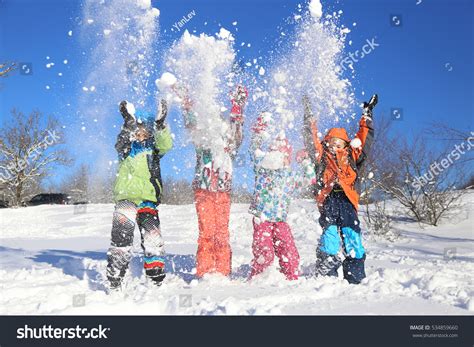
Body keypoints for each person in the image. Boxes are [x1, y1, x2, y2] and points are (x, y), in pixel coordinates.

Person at [303, 94, 377, 284]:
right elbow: (311, 140)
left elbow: (365, 139)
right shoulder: (322, 156)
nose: (335, 146)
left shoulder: (352, 156)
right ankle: (326, 276)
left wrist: (366, 115)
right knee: (329, 236)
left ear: (346, 144)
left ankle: (356, 277)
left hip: (347, 201)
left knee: (352, 236)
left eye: (339, 143)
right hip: (329, 200)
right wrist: (309, 117)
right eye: (331, 142)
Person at [179, 85, 248, 278]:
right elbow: (192, 126)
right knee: (207, 231)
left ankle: (223, 271)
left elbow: (236, 130)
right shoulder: (203, 142)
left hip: (223, 191)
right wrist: (187, 106)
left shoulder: (230, 145)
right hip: (203, 190)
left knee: (222, 233)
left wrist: (237, 107)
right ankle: (205, 271)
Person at [106, 99, 173, 290]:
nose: (139, 132)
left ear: (150, 131)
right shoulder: (126, 149)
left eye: (144, 129)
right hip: (125, 199)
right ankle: (115, 278)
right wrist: (128, 121)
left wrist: (160, 124)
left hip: (148, 200)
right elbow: (121, 141)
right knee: (121, 238)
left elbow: (166, 143)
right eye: (137, 128)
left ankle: (155, 277)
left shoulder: (154, 150)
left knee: (152, 238)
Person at [248, 112, 316, 280]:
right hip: (262, 218)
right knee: (265, 251)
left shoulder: (289, 177)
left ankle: (291, 277)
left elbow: (310, 179)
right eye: (276, 152)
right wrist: (259, 130)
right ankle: (259, 277)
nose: (281, 158)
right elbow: (253, 149)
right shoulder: (261, 168)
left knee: (289, 251)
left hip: (280, 221)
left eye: (285, 155)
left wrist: (305, 161)